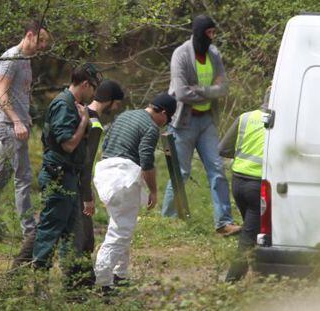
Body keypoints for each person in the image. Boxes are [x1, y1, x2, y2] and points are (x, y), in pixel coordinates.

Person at [11, 80, 124, 273]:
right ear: (111, 101)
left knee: (55, 228)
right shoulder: (94, 123)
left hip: (61, 176)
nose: (116, 109)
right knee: (71, 234)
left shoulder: (77, 110)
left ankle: (26, 270)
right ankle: (72, 280)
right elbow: (86, 163)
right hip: (72, 181)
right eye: (117, 104)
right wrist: (87, 196)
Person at [0, 21, 50, 240]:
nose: (43, 45)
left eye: (45, 42)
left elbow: (20, 92)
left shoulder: (26, 60)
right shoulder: (10, 58)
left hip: (18, 124)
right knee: (23, 176)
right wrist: (17, 121)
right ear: (29, 35)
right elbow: (0, 94)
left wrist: (26, 115)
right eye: (40, 40)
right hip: (9, 126)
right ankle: (30, 232)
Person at [161, 14, 240, 236]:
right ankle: (169, 220)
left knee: (218, 170)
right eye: (209, 33)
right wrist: (209, 92)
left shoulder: (214, 54)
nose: (213, 37)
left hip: (207, 122)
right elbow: (180, 92)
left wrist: (200, 90)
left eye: (214, 33)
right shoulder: (181, 54)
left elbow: (224, 88)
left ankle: (223, 223)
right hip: (183, 122)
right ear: (199, 33)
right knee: (181, 172)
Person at [93, 93, 176, 292]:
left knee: (123, 225)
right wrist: (154, 191)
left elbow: (106, 144)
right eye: (167, 120)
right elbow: (146, 160)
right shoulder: (150, 127)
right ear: (163, 113)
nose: (165, 124)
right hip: (123, 177)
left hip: (105, 172)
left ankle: (119, 275)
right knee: (120, 232)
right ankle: (103, 282)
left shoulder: (124, 115)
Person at [32, 63, 102, 289]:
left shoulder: (75, 104)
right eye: (93, 88)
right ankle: (39, 284)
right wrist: (83, 122)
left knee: (72, 233)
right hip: (58, 176)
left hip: (69, 177)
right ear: (84, 84)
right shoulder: (64, 105)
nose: (94, 94)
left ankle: (74, 285)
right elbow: (69, 144)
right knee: (49, 230)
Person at [220, 91, 269, 282]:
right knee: (249, 236)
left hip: (238, 182)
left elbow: (223, 149)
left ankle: (260, 272)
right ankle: (231, 281)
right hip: (258, 186)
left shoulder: (246, 117)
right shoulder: (280, 123)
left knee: (255, 230)